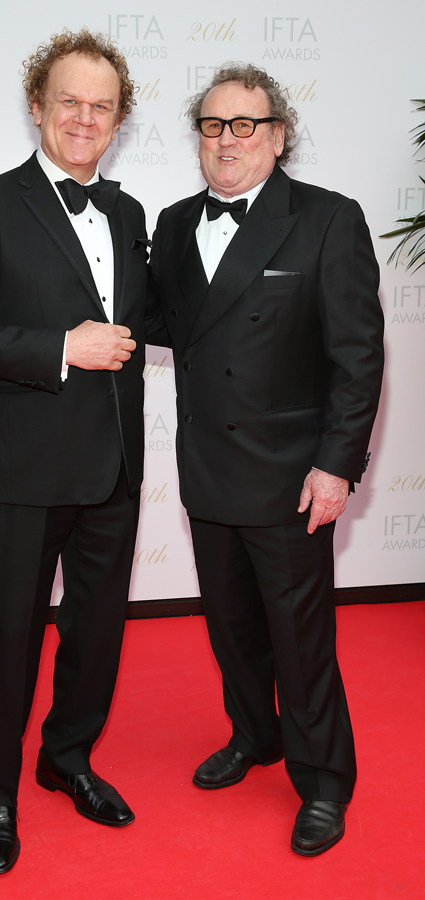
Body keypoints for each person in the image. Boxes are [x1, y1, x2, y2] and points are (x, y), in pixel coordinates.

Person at [0, 28, 158, 874]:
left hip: (116, 466)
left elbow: (157, 321)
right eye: (69, 100)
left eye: (102, 106)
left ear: (118, 119)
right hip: (26, 464)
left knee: (97, 633)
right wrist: (63, 348)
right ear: (38, 105)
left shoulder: (132, 212)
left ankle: (67, 760)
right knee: (13, 633)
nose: (84, 117)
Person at [150, 63, 384, 856]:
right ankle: (254, 735)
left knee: (300, 638)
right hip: (207, 471)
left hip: (291, 477)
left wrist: (337, 464)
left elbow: (357, 358)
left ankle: (324, 781)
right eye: (212, 125)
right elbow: (167, 320)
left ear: (278, 137)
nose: (226, 140)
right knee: (232, 628)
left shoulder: (326, 220)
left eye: (245, 125)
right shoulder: (177, 223)